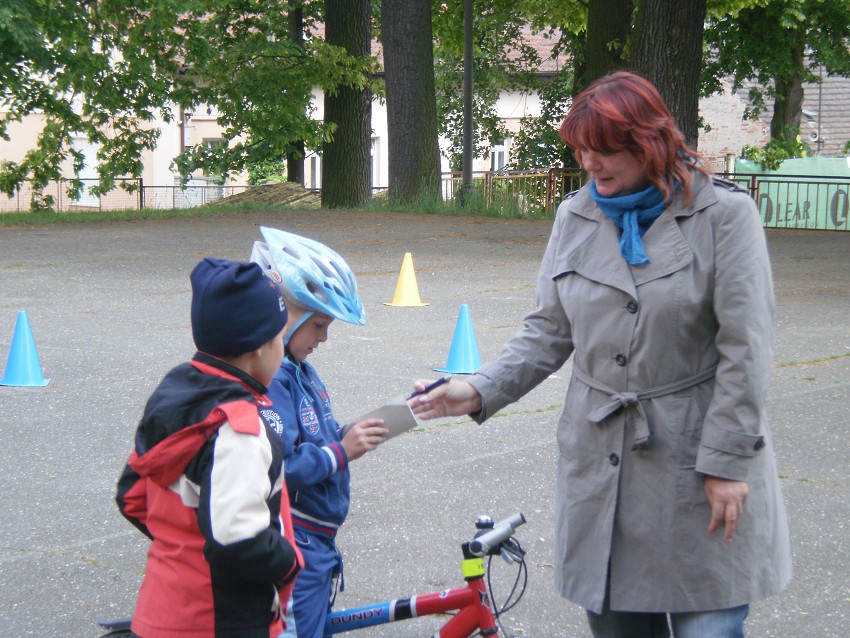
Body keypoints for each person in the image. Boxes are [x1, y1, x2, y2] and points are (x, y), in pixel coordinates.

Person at [410, 71, 792, 638]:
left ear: (650, 143)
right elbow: (546, 331)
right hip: (602, 463)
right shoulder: (576, 216)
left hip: (697, 458)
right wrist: (477, 388)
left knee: (707, 626)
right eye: (582, 149)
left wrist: (727, 463)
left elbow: (746, 349)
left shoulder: (723, 216)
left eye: (606, 150)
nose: (590, 163)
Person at [115, 257, 303, 638]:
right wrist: (290, 564)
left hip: (159, 613)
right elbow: (238, 538)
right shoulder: (240, 427)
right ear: (259, 348)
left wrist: (182, 545)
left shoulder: (176, 394)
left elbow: (131, 495)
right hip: (220, 621)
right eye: (280, 338)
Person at [250, 226, 388, 638]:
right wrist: (341, 452)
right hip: (297, 544)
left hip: (318, 544)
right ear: (284, 315)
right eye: (319, 325)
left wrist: (350, 433)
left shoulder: (302, 371)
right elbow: (279, 471)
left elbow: (317, 436)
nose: (324, 338)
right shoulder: (274, 381)